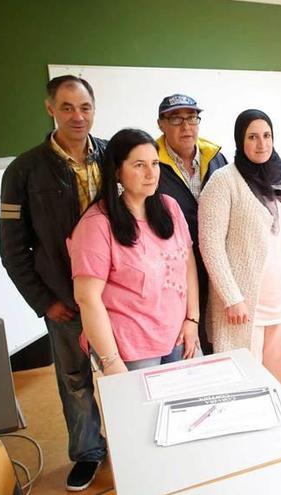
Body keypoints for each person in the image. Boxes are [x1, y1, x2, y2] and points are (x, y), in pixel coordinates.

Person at [0, 75, 106, 490]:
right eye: (67, 107)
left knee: (122, 373)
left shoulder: (113, 155)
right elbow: (12, 250)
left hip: (115, 298)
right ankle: (88, 452)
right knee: (75, 381)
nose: (77, 117)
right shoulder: (24, 170)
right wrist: (44, 301)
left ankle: (124, 440)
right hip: (65, 299)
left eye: (84, 107)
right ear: (50, 109)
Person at [199, 109, 281, 392]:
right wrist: (231, 297)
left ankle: (279, 434)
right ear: (240, 140)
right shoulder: (223, 181)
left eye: (266, 136)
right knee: (242, 385)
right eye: (252, 137)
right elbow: (210, 244)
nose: (261, 143)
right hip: (244, 307)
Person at [69, 128, 199, 375]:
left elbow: (187, 262)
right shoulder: (97, 224)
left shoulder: (169, 208)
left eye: (155, 163)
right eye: (139, 165)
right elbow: (87, 298)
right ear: (117, 171)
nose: (151, 174)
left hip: (178, 335)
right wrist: (110, 360)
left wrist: (192, 319)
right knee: (143, 413)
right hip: (131, 348)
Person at [155, 94, 227, 355]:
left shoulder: (216, 158)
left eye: (192, 118)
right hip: (173, 273)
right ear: (161, 124)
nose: (186, 126)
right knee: (182, 348)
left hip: (214, 264)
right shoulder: (151, 162)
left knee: (215, 338)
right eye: (176, 119)